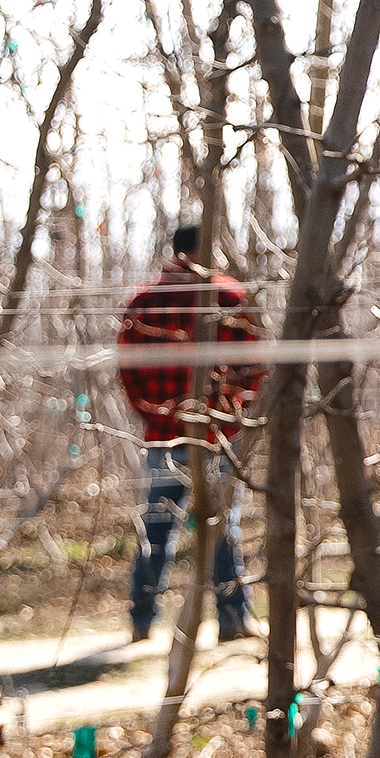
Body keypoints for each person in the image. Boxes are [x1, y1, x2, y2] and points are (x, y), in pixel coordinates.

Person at [118, 223, 264, 644]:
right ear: (206, 250)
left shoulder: (145, 302)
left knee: (158, 527)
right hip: (217, 436)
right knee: (220, 526)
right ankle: (233, 619)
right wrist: (233, 414)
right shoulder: (231, 297)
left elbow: (128, 373)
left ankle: (143, 621)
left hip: (165, 436)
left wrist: (157, 415)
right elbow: (254, 368)